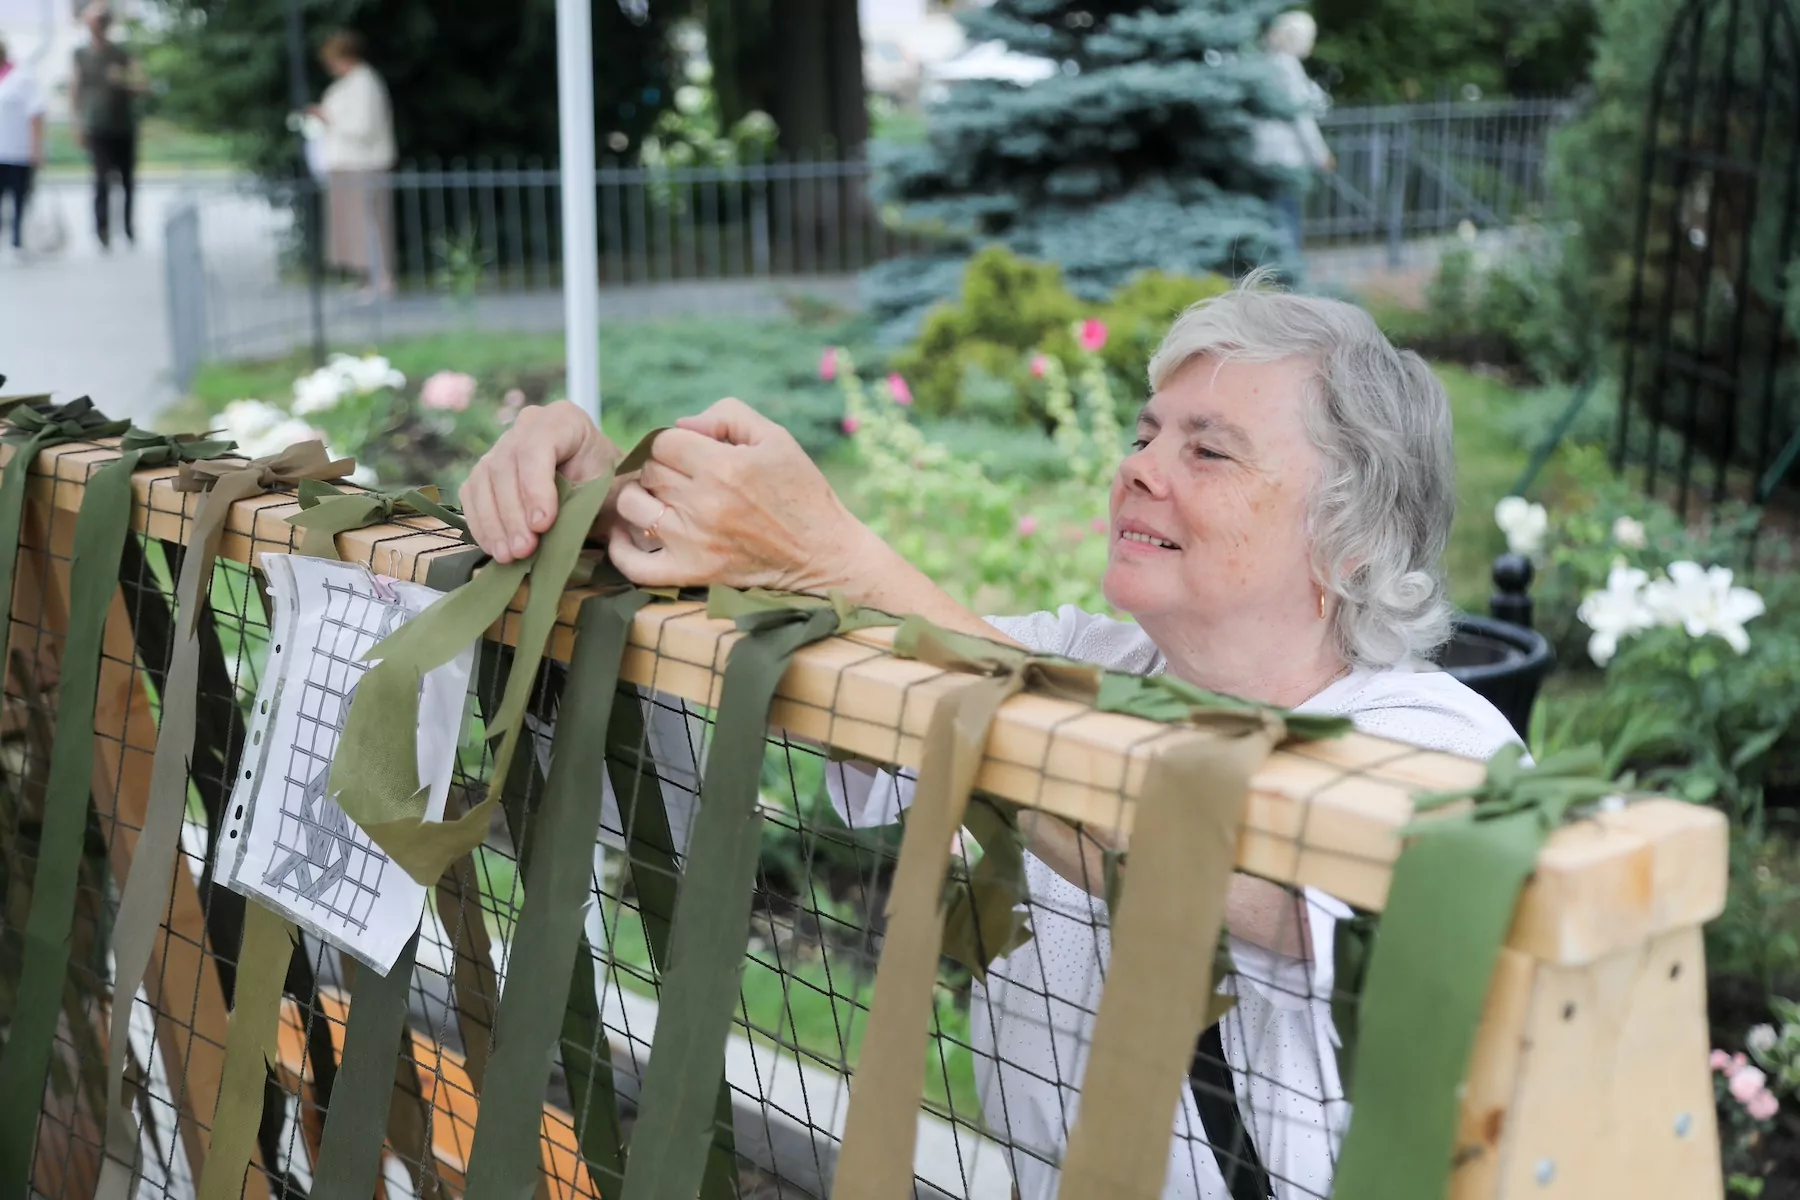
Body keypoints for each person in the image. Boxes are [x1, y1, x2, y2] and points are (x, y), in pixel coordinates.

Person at [461, 278, 1521, 1199]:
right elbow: (871, 641)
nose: (1142, 468)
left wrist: (840, 553)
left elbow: (1228, 876)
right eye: (1147, 432)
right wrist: (617, 499)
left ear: (1352, 540)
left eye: (1210, 449)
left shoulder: (1443, 745)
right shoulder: (1087, 659)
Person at [310, 31, 397, 298]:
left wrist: (328, 119)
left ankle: (382, 279)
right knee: (353, 225)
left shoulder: (365, 84)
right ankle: (366, 277)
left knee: (369, 222)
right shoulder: (348, 84)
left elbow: (364, 127)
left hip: (363, 164)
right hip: (346, 164)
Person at [1253, 11, 1334, 258]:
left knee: (1272, 216)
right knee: (1286, 218)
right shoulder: (1287, 67)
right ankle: (1286, 273)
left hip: (1262, 156)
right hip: (1285, 158)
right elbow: (1300, 117)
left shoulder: (1266, 62)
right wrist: (1321, 155)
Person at [70, 3, 145, 250]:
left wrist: (122, 79)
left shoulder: (121, 52)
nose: (98, 26)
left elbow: (141, 85)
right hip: (96, 125)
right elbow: (75, 89)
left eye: (102, 21)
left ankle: (128, 228)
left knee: (127, 180)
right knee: (101, 179)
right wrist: (77, 123)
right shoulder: (80, 53)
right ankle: (102, 230)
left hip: (122, 125)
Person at [0, 38, 45, 261]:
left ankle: (18, 241)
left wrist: (37, 148)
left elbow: (36, 113)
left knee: (19, 198)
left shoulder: (21, 77)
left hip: (18, 151)